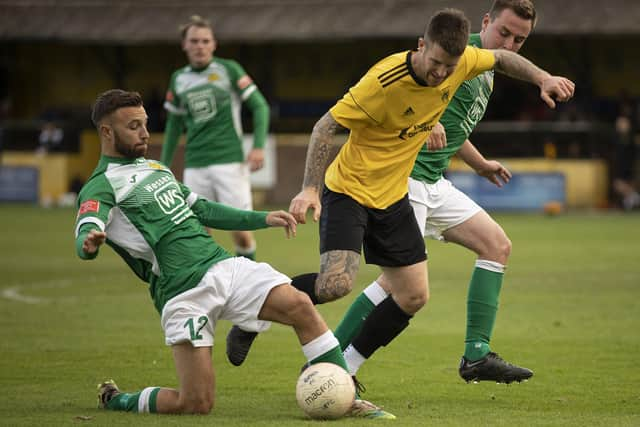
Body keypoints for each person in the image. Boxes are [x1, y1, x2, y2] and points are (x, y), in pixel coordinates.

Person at [232, 8, 573, 386]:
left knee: (419, 291)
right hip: (355, 188)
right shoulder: (384, 79)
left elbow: (502, 61)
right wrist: (310, 188)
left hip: (396, 192)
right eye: (437, 63)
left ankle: (348, 370)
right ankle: (258, 310)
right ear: (422, 45)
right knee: (337, 285)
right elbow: (325, 127)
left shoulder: (467, 62)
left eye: (450, 66)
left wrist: (541, 78)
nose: (442, 73)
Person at [75, 89, 393, 419]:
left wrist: (262, 219)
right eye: (133, 127)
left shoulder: (156, 168)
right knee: (196, 403)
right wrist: (89, 241)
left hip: (223, 266)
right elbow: (88, 223)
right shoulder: (101, 185)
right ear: (107, 132)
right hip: (183, 292)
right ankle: (118, 399)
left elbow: (204, 209)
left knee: (299, 304)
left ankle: (346, 398)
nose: (144, 133)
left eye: (145, 124)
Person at [335, 0, 545, 385]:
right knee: (397, 287)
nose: (511, 44)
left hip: (433, 182)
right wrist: (423, 116)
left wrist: (479, 163)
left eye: (520, 39)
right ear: (486, 22)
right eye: (505, 33)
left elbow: (453, 128)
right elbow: (412, 84)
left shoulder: (485, 69)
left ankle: (477, 355)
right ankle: (333, 363)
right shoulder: (458, 58)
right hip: (405, 180)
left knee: (497, 245)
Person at [161, 15, 268, 262]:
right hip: (195, 165)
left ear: (214, 44)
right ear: (184, 45)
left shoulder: (228, 70)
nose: (200, 46)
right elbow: (173, 125)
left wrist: (258, 146)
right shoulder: (178, 79)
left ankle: (249, 278)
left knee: (241, 232)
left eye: (205, 41)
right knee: (199, 232)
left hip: (229, 162)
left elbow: (260, 106)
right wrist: (164, 166)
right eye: (194, 41)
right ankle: (208, 286)